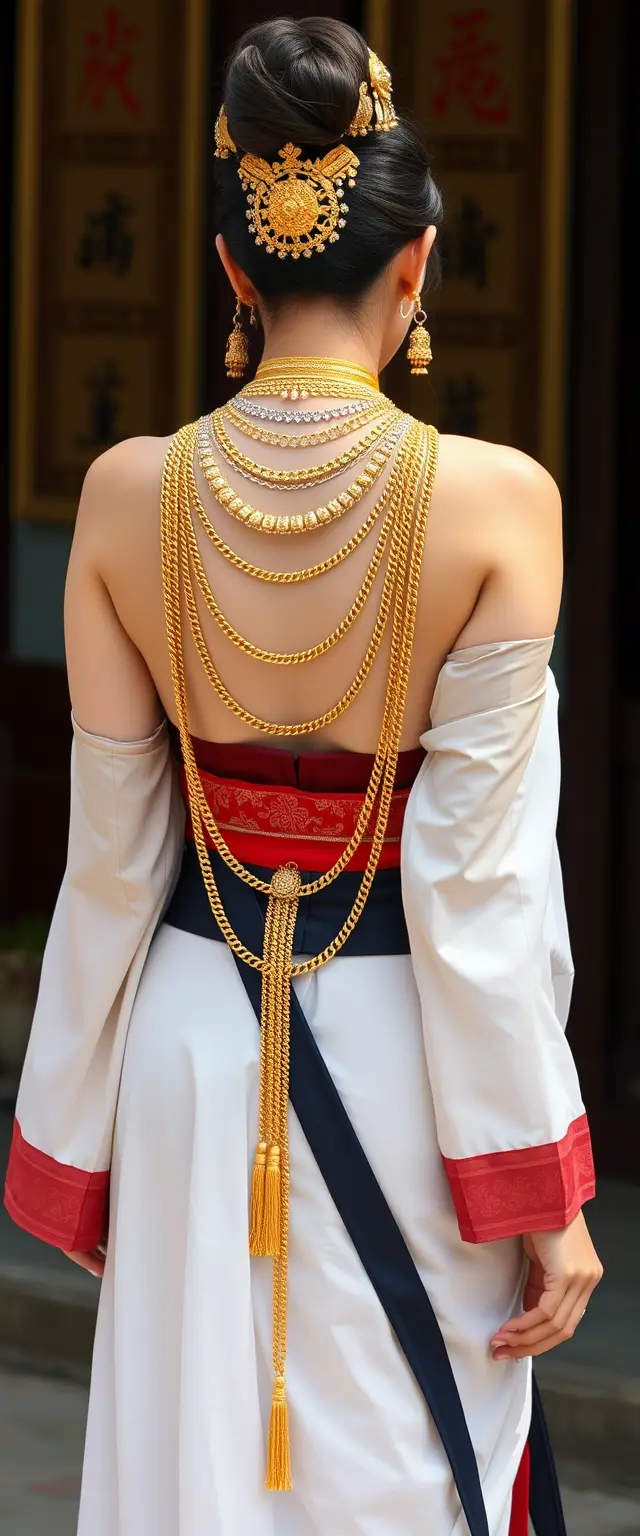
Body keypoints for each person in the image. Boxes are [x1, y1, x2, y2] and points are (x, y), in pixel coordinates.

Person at [4, 17, 602, 1536]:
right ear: (417, 270)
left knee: (194, 1467)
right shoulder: (498, 506)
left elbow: (113, 858)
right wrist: (543, 1184)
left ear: (231, 272)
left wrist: (72, 1134)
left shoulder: (128, 499)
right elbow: (476, 882)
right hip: (413, 1050)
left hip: (195, 1050)